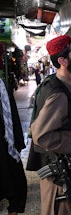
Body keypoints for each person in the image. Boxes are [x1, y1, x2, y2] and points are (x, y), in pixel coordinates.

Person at [26, 35, 71, 215]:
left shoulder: (67, 86)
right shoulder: (58, 94)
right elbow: (41, 136)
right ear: (62, 61)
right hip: (64, 184)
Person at [0, 57, 27, 214]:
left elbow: (13, 116)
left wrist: (17, 143)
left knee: (17, 186)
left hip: (6, 144)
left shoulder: (3, 86)